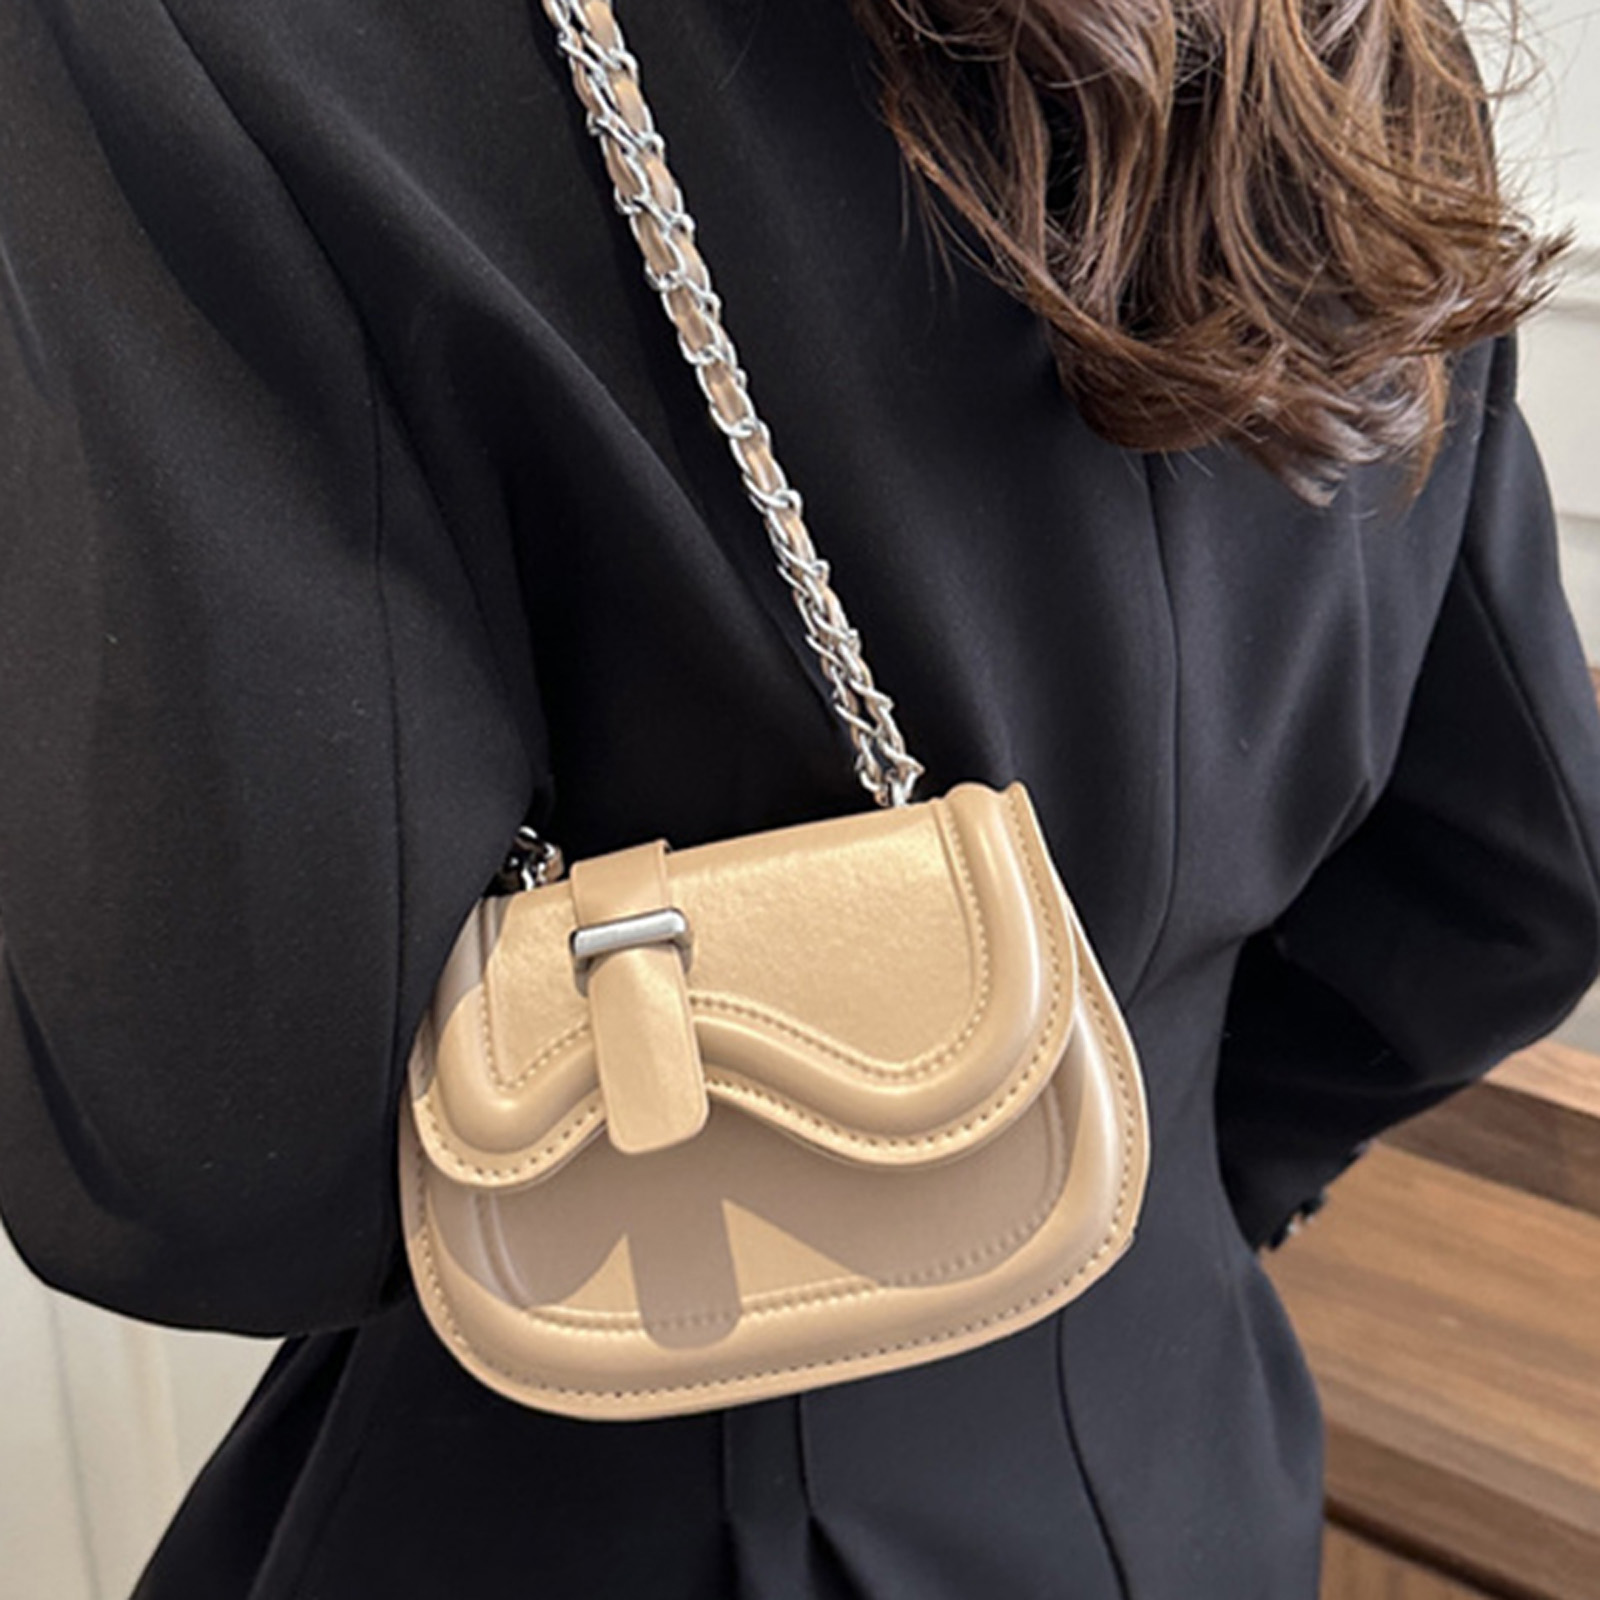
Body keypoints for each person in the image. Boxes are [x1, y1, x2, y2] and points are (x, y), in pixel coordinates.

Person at [2, 0, 1597, 1595]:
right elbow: (1518, 879)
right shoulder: (1352, 47)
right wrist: (1127, 1173)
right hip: (1189, 1459)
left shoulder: (200, 38)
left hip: (596, 1495)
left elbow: (217, 1170)